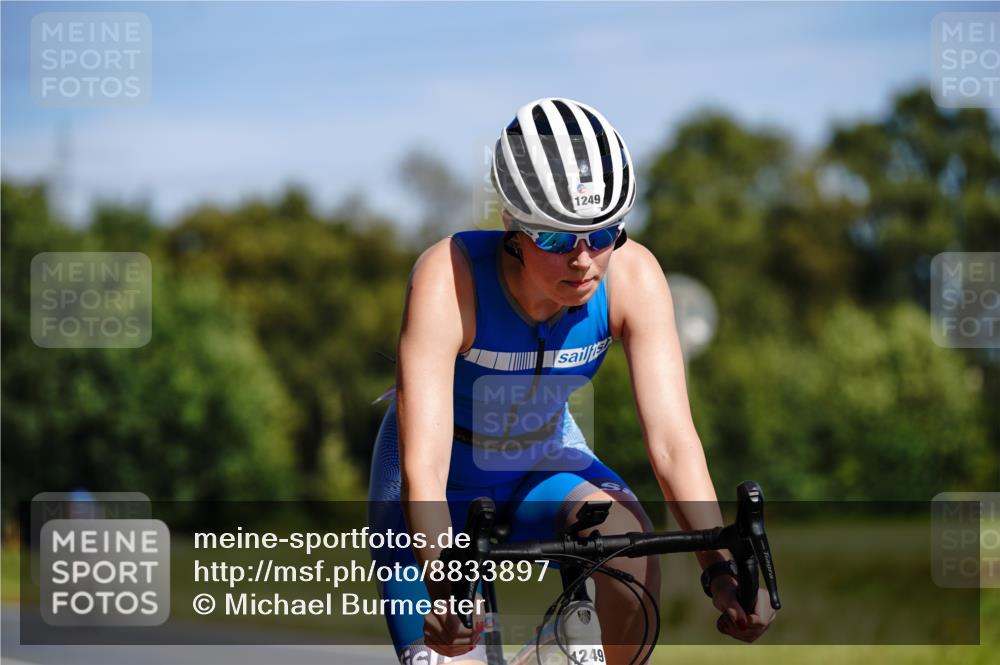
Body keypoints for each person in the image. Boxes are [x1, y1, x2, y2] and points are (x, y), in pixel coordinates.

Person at [368, 97, 777, 665]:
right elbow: (425, 470)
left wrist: (722, 571)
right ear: (512, 225)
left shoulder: (635, 277)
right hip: (441, 481)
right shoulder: (450, 276)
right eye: (557, 240)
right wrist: (442, 586)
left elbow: (672, 444)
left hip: (544, 459)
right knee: (456, 649)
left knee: (630, 550)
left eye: (603, 234)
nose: (584, 260)